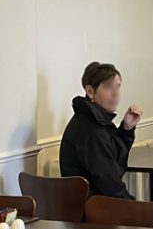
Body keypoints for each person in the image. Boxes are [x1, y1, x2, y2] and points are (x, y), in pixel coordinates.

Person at [60, 62, 143, 199]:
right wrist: (136, 207)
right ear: (90, 91)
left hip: (98, 204)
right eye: (108, 87)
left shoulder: (97, 120)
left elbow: (115, 164)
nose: (116, 94)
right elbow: (109, 184)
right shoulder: (89, 128)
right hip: (93, 210)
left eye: (118, 86)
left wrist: (126, 129)